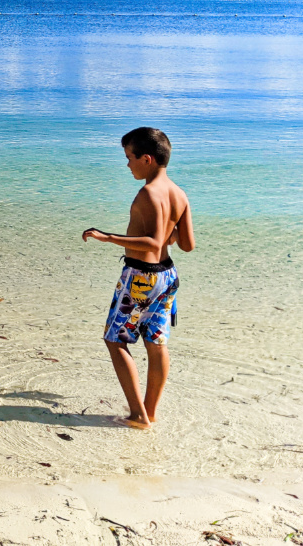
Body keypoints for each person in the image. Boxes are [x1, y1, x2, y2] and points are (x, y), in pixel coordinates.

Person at [82, 127, 195, 429]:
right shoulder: (179, 193)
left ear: (146, 159)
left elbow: (152, 242)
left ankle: (137, 415)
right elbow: (185, 244)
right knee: (156, 344)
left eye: (129, 158)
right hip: (167, 276)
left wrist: (107, 237)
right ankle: (150, 412)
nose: (128, 164)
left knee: (115, 341)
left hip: (140, 279)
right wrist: (169, 232)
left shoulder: (148, 193)